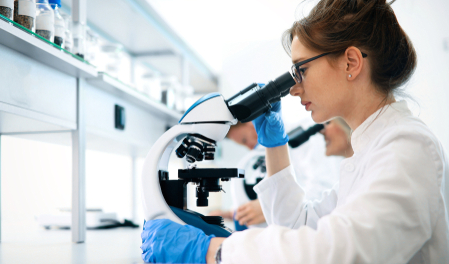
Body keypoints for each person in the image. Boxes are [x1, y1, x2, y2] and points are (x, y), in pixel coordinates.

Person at [141, 0, 449, 263]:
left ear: (351, 63)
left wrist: (213, 252)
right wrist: (275, 144)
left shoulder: (409, 146)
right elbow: (298, 223)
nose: (293, 89)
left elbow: (340, 252)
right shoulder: (371, 150)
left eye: (301, 70)